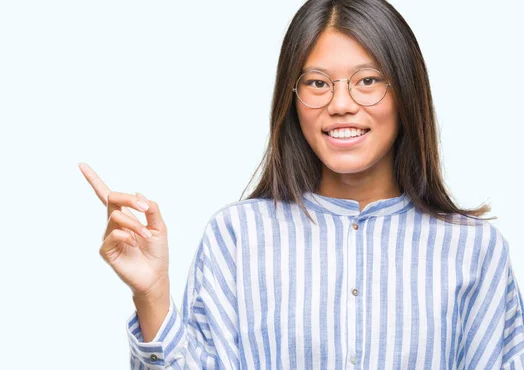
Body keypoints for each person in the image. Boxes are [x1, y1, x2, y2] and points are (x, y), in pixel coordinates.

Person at [79, 0, 524, 368]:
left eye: (367, 81)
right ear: (292, 100)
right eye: (317, 83)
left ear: (405, 90)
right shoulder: (237, 238)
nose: (341, 104)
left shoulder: (474, 251)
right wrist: (152, 294)